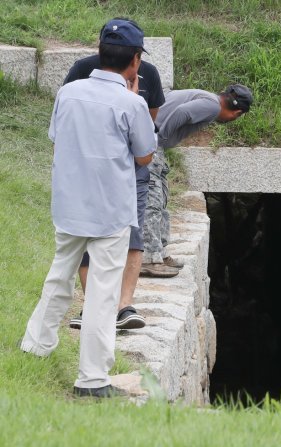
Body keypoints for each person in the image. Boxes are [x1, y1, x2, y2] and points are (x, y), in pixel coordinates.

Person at [20, 19, 156, 398]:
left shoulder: (70, 92)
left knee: (59, 275)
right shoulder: (133, 102)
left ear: (99, 52)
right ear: (135, 61)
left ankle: (36, 344)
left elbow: (55, 138)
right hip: (110, 211)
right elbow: (144, 155)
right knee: (102, 293)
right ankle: (92, 378)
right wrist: (134, 99)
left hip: (69, 203)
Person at [64, 18, 165, 330]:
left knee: (132, 234)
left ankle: (123, 305)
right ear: (135, 55)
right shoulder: (82, 71)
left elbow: (147, 129)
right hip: (89, 169)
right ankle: (94, 304)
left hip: (131, 171)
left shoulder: (149, 75)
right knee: (86, 233)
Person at [141, 84, 253, 276]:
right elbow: (182, 112)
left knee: (161, 198)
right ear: (237, 112)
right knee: (153, 201)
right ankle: (148, 258)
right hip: (150, 144)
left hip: (150, 143)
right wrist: (161, 137)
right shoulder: (213, 106)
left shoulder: (204, 97)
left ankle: (159, 252)